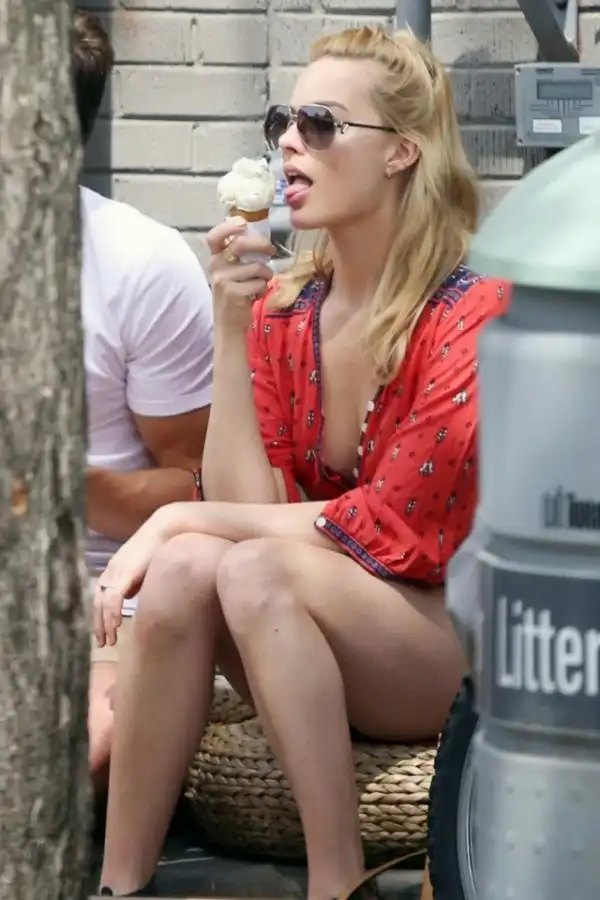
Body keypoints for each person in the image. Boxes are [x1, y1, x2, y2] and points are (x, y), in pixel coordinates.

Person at [95, 26, 510, 899]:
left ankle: (336, 880)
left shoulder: (470, 315)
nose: (289, 141)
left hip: (446, 643)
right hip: (306, 626)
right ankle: (118, 883)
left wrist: (177, 511)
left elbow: (397, 528)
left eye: (320, 123)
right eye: (282, 120)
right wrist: (230, 328)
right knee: (189, 567)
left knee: (240, 563)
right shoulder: (286, 311)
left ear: (401, 151)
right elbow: (247, 504)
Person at [73, 11, 214, 785]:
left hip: (94, 603)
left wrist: (59, 486)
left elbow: (197, 487)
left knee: (59, 764)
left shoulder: (139, 263)